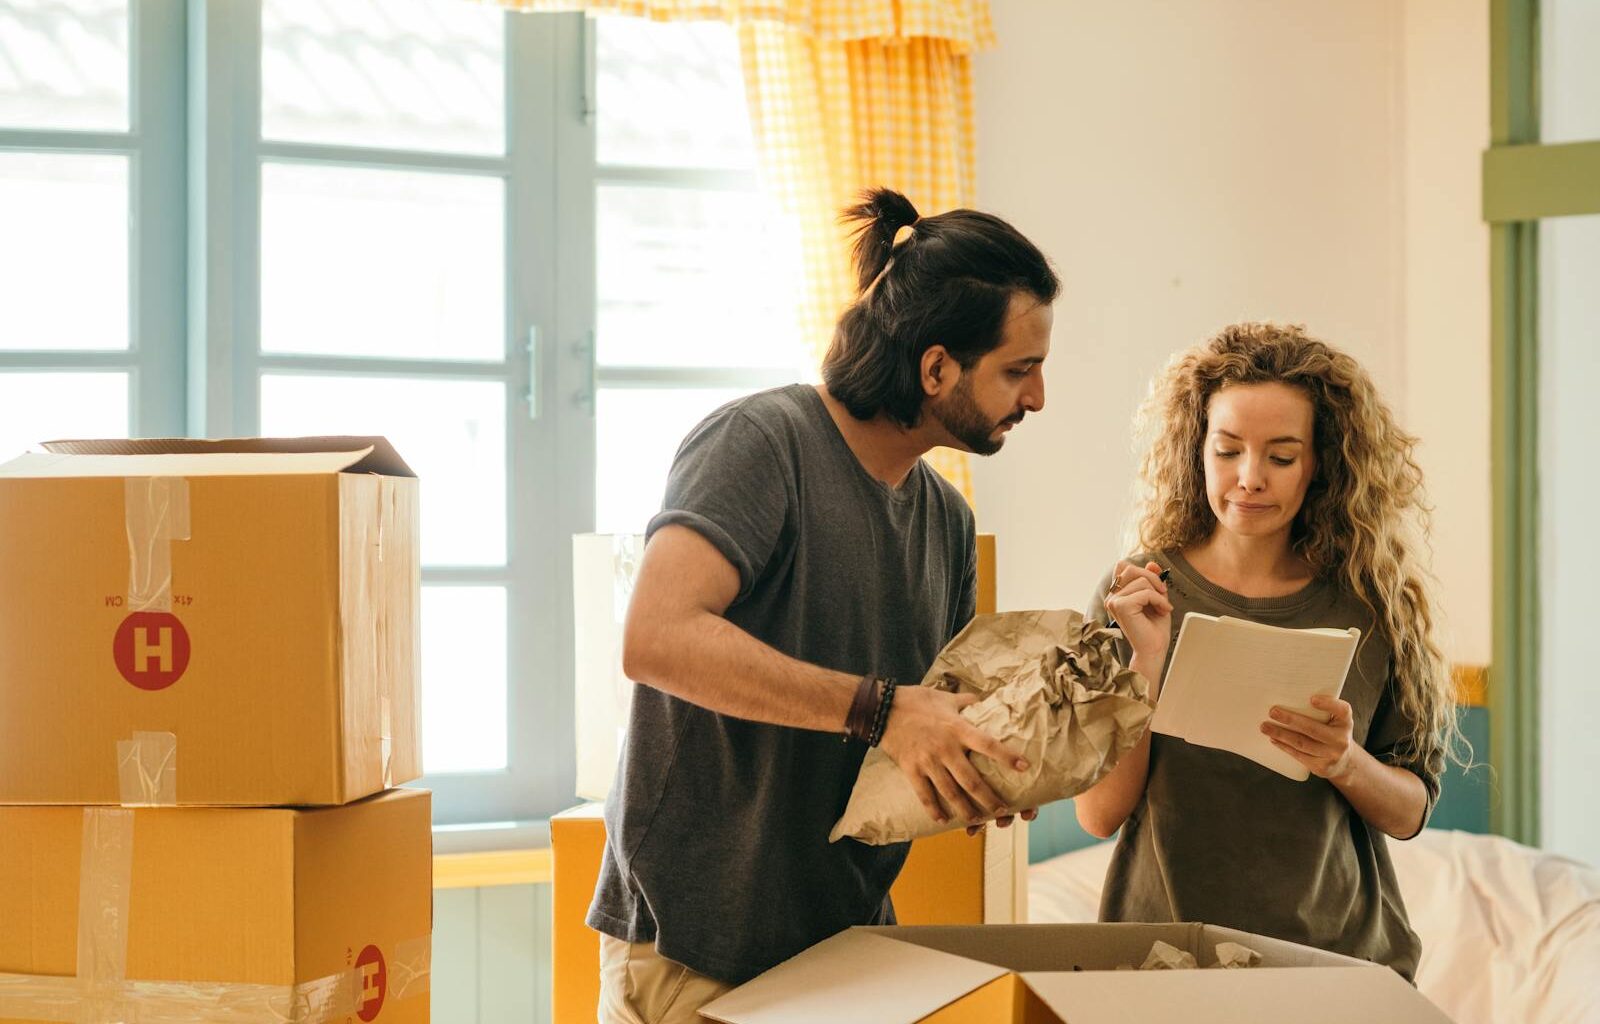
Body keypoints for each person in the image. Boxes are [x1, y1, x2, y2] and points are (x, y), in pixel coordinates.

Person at [590, 187, 1060, 1022]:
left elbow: (928, 716)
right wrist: (883, 711)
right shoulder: (761, 443)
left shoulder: (947, 519)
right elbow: (657, 638)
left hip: (845, 947)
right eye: (1018, 370)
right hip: (695, 945)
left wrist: (986, 763)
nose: (1037, 398)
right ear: (936, 367)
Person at [1076, 322, 1462, 981]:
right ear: (1197, 448)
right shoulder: (1136, 593)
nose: (1249, 478)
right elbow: (1098, 814)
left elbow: (1410, 810)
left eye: (1281, 457)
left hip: (1338, 965)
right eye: (1227, 451)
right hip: (1167, 963)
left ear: (1320, 466)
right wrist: (1146, 664)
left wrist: (1344, 762)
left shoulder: (1371, 605)